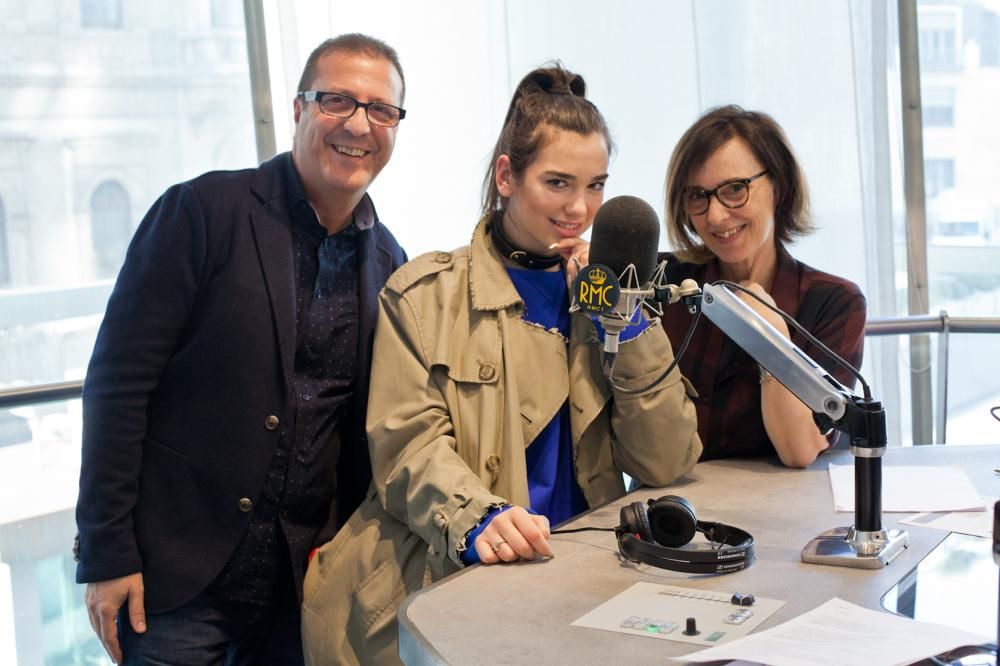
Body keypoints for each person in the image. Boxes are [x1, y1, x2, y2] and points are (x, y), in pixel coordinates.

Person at [300, 65, 702, 665]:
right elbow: (406, 447)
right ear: (507, 176)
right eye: (558, 183)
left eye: (595, 186)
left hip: (578, 580)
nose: (579, 208)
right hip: (443, 581)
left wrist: (628, 317)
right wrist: (478, 518)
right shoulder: (425, 294)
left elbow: (665, 460)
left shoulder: (607, 301)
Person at [74, 33, 408, 664]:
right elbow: (117, 386)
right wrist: (106, 550)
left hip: (299, 591)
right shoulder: (201, 212)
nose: (359, 125)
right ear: (299, 108)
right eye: (337, 100)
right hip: (176, 582)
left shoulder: (389, 263)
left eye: (381, 110)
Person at [659, 105, 866, 468]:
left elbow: (799, 450)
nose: (715, 216)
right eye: (697, 196)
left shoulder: (834, 303)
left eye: (734, 189)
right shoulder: (663, 282)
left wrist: (771, 339)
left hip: (777, 501)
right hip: (670, 500)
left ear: (779, 187)